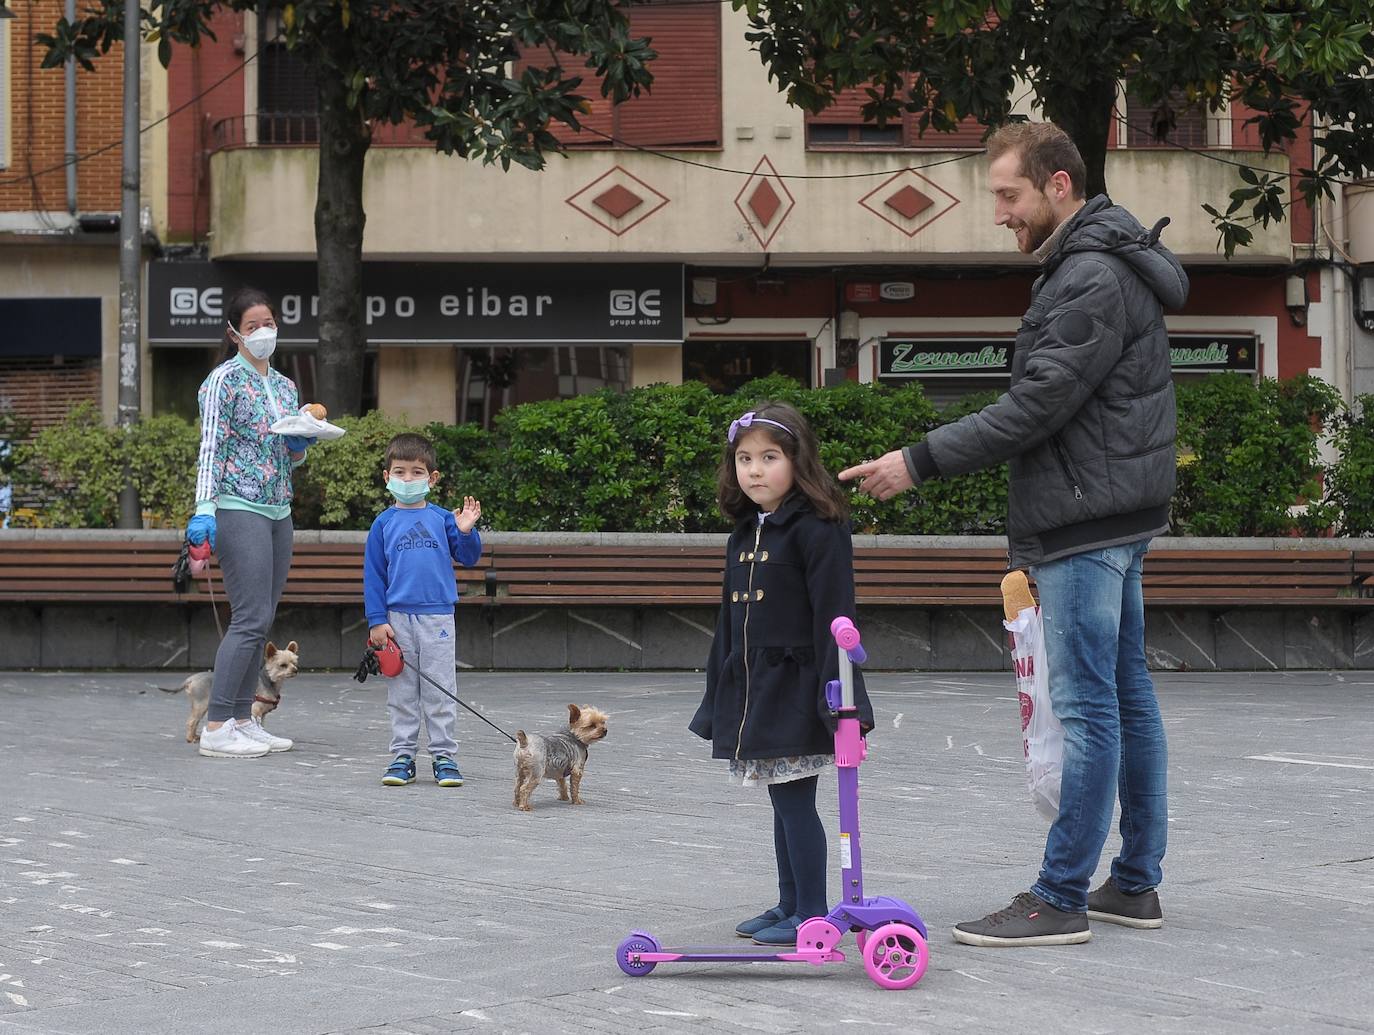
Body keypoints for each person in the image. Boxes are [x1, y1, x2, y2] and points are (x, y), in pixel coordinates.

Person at [841, 121, 1187, 947]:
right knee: (1127, 698)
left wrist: (916, 460)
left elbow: (1037, 405)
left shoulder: (1090, 275)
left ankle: (1061, 894)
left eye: (1009, 194)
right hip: (1112, 512)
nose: (999, 212)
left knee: (1089, 707)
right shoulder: (1094, 263)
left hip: (1082, 522)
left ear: (1058, 186)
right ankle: (1134, 881)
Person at [689, 401, 875, 947]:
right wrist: (716, 693)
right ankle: (789, 901)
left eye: (769, 457)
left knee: (795, 799)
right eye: (744, 458)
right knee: (779, 796)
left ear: (797, 461)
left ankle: (812, 911)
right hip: (754, 688)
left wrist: (842, 701)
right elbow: (729, 621)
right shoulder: (746, 532)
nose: (755, 470)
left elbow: (837, 621)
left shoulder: (817, 528)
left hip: (800, 688)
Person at [187, 287, 315, 759]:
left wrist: (300, 447)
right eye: (253, 326)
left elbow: (285, 454)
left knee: (261, 623)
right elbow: (211, 448)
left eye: (269, 323)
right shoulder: (222, 381)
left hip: (279, 509)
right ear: (234, 334)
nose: (264, 332)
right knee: (247, 620)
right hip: (237, 506)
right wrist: (204, 508)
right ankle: (217, 725)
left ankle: (244, 718)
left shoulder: (284, 387)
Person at [364, 432, 483, 788]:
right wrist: (377, 621)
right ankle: (402, 756)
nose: (408, 479)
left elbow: (469, 557)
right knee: (401, 690)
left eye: (417, 472)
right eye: (399, 472)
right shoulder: (382, 524)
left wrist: (465, 531)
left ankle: (444, 756)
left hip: (438, 617)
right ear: (387, 478)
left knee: (441, 688)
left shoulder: (445, 519)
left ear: (432, 479)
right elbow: (373, 576)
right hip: (397, 621)